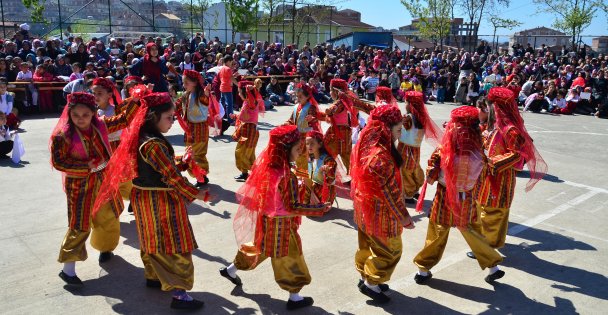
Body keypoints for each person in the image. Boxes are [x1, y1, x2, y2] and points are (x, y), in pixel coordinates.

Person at [93, 92, 208, 310]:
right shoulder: (153, 143)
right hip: (160, 200)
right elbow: (171, 177)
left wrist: (182, 162)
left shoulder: (141, 137)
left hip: (143, 197)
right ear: (153, 116)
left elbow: (161, 167)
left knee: (150, 239)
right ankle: (179, 293)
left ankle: (153, 276)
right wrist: (196, 193)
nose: (172, 121)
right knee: (174, 244)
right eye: (169, 117)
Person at [219, 125, 330, 310]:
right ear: (285, 150)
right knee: (290, 257)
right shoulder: (286, 175)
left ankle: (231, 269)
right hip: (282, 223)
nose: (299, 152)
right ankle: (294, 297)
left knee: (260, 247)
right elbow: (293, 206)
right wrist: (318, 207)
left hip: (266, 219)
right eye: (296, 149)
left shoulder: (269, 167)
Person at [413, 106, 505, 285]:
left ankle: (423, 270)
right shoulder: (480, 148)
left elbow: (432, 175)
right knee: (471, 229)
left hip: (445, 196)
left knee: (438, 230)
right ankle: (493, 266)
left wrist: (435, 171)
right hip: (468, 197)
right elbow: (484, 173)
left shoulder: (445, 149)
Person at [49, 92, 131, 286]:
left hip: (103, 181)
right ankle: (68, 270)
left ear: (93, 114)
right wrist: (87, 166)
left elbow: (124, 119)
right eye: (76, 115)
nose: (81, 119)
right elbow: (59, 162)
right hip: (79, 186)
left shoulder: (101, 126)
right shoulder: (63, 136)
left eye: (85, 115)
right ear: (69, 114)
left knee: (109, 215)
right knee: (80, 224)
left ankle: (105, 247)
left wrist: (136, 101)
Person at [470, 87, 547, 257]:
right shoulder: (496, 126)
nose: (489, 109)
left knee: (493, 210)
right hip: (487, 175)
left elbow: (517, 155)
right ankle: (488, 243)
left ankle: (486, 247)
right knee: (483, 207)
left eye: (491, 106)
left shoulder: (511, 130)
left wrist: (493, 162)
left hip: (501, 177)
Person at [351, 105, 414, 304]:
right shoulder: (380, 156)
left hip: (365, 207)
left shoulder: (369, 143)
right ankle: (371, 282)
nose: (401, 132)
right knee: (391, 250)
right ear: (386, 129)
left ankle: (366, 277)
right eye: (397, 129)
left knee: (367, 246)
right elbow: (390, 193)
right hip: (381, 212)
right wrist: (404, 218)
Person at [175, 70, 220, 187]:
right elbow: (177, 105)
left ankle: (202, 176)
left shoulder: (201, 95)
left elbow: (205, 101)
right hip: (190, 130)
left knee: (197, 154)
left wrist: (206, 93)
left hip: (199, 130)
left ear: (194, 83)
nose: (184, 86)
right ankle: (200, 176)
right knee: (190, 154)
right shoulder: (186, 95)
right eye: (183, 83)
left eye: (186, 83)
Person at [398, 91, 443, 203]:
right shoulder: (422, 117)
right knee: (414, 168)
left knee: (405, 170)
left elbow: (398, 128)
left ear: (410, 104)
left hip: (405, 148)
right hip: (416, 148)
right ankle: (414, 190)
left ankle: (408, 194)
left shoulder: (408, 118)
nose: (405, 104)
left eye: (406, 102)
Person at [230, 81, 264, 181]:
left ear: (245, 92)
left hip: (249, 131)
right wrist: (236, 116)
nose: (238, 94)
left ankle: (254, 172)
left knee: (241, 153)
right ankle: (247, 173)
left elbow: (245, 116)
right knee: (248, 153)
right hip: (248, 130)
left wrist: (236, 116)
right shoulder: (248, 101)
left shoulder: (250, 102)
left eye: (239, 92)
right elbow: (245, 116)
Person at [285, 83, 321, 171]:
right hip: (297, 137)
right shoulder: (296, 107)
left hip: (306, 138)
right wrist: (286, 123)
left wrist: (312, 119)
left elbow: (315, 119)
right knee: (297, 157)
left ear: (307, 96)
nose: (298, 99)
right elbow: (291, 120)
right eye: (297, 96)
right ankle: (301, 178)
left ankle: (305, 180)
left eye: (300, 96)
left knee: (305, 159)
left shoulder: (310, 107)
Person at [324, 78, 357, 171]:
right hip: (343, 132)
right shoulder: (343, 102)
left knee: (328, 153)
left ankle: (330, 176)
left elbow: (332, 109)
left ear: (335, 91)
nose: (330, 93)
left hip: (339, 132)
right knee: (345, 156)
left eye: (330, 90)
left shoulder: (340, 103)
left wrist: (328, 110)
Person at [303, 130, 337, 205]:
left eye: (312, 143)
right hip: (312, 188)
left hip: (323, 191)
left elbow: (329, 182)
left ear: (320, 144)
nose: (309, 146)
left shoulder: (328, 160)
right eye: (307, 144)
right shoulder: (309, 159)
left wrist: (321, 171)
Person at [218, 55, 237, 125]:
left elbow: (226, 77)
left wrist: (234, 75)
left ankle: (220, 118)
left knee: (222, 104)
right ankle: (231, 120)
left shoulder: (222, 68)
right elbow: (231, 78)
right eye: (231, 62)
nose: (231, 63)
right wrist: (238, 85)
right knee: (229, 105)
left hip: (222, 87)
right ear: (228, 61)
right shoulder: (228, 69)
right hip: (227, 88)